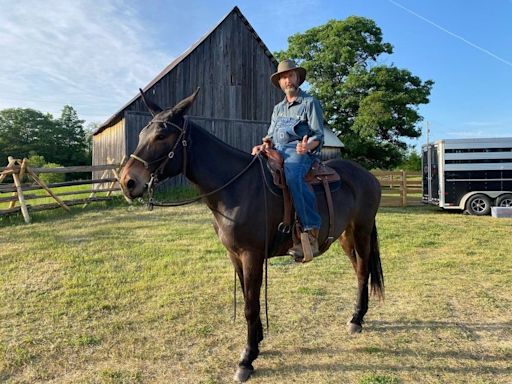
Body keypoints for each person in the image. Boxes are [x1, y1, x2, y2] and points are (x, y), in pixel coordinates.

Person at [252, 59, 325, 259]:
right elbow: (271, 135)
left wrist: (306, 145)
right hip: (278, 149)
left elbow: (318, 135)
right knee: (253, 166)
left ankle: (311, 232)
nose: (287, 80)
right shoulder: (278, 108)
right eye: (283, 77)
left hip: (299, 151)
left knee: (293, 175)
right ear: (280, 82)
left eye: (291, 75)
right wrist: (264, 145)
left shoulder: (310, 103)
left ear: (298, 78)